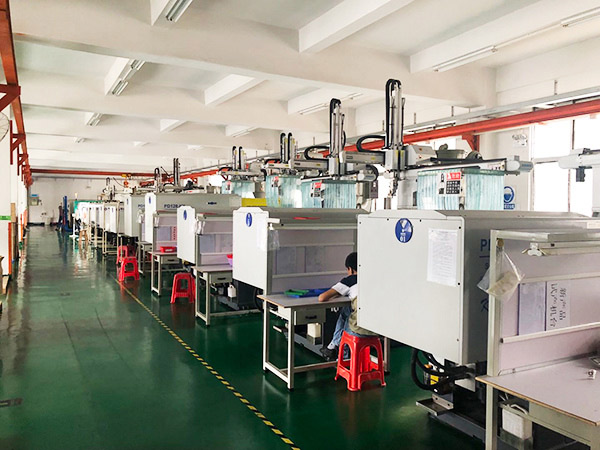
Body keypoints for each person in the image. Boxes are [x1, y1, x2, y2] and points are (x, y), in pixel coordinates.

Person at [318, 252, 358, 360]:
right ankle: (333, 345)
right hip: (375, 326)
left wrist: (337, 293)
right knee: (347, 309)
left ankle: (338, 350)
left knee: (347, 313)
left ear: (350, 269)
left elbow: (322, 298)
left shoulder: (350, 280)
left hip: (358, 328)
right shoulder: (371, 279)